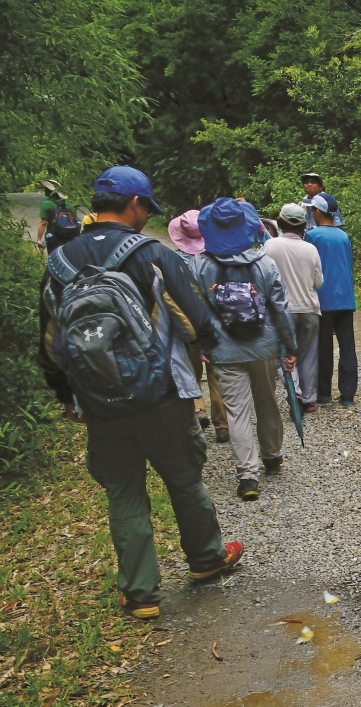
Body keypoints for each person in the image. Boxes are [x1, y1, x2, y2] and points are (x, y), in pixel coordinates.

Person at [38, 166, 244, 620]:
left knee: (124, 492)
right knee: (184, 479)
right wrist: (206, 347)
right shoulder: (152, 253)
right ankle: (206, 559)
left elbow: (50, 343)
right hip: (162, 392)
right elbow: (198, 319)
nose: (146, 215)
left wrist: (68, 397)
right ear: (134, 204)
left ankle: (140, 593)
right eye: (146, 207)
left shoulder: (59, 262)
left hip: (98, 400)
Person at [195, 197, 298, 501]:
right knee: (267, 400)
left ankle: (248, 477)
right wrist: (290, 346)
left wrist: (202, 344)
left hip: (224, 350)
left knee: (236, 411)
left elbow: (196, 311)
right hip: (263, 347)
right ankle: (272, 456)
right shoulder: (264, 263)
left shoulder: (200, 265)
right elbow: (280, 309)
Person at [167, 208, 225, 436]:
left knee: (189, 370)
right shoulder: (215, 259)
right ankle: (222, 424)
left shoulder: (172, 261)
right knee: (216, 373)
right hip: (213, 324)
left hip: (186, 324)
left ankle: (197, 409)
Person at [262, 203, 324, 413]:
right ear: (303, 225)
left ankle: (294, 391)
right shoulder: (310, 248)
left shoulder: (269, 246)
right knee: (308, 354)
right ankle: (309, 398)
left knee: (284, 352)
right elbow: (318, 282)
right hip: (309, 307)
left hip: (281, 309)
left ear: (280, 222)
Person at [304, 193, 357, 406]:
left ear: (317, 212)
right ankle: (348, 394)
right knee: (347, 346)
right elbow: (349, 264)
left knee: (323, 347)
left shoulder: (312, 236)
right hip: (345, 297)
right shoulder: (343, 236)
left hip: (323, 298)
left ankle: (324, 392)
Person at [36, 179, 81, 250]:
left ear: (49, 190)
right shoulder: (70, 204)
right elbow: (74, 221)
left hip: (53, 237)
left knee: (53, 256)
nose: (45, 189)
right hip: (70, 237)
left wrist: (39, 240)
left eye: (46, 188)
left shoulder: (46, 204)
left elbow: (43, 223)